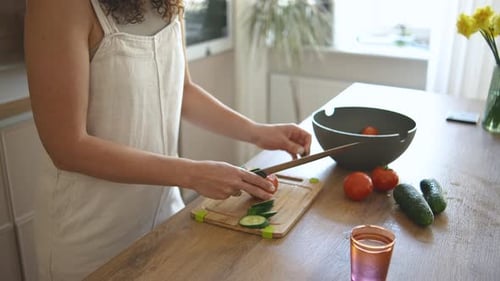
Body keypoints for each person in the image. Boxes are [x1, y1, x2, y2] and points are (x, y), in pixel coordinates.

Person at [24, 0, 312, 280]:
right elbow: (67, 147)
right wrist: (193, 173)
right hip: (91, 241)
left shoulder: (169, 3)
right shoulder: (57, 5)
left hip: (164, 218)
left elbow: (183, 91)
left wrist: (258, 132)